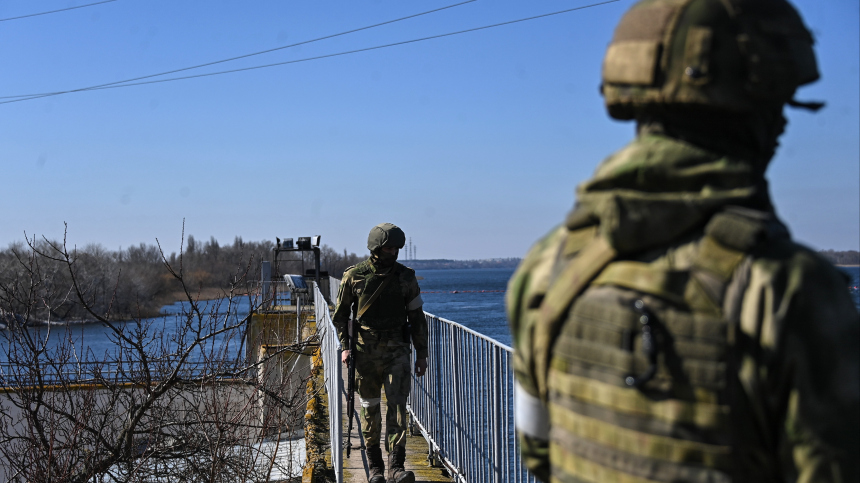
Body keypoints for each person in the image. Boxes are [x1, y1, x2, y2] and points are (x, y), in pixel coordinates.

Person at [506, 1, 860, 482]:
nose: (781, 128)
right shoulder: (787, 288)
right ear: (760, 108)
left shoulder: (549, 264)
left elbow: (538, 451)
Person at [333, 223, 428, 483]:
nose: (393, 252)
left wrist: (422, 354)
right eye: (388, 247)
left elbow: (417, 318)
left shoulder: (406, 277)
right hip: (365, 352)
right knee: (369, 408)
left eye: (397, 247)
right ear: (376, 247)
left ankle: (396, 466)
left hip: (397, 349)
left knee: (398, 407)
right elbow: (340, 316)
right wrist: (345, 346)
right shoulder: (355, 276)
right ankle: (374, 467)